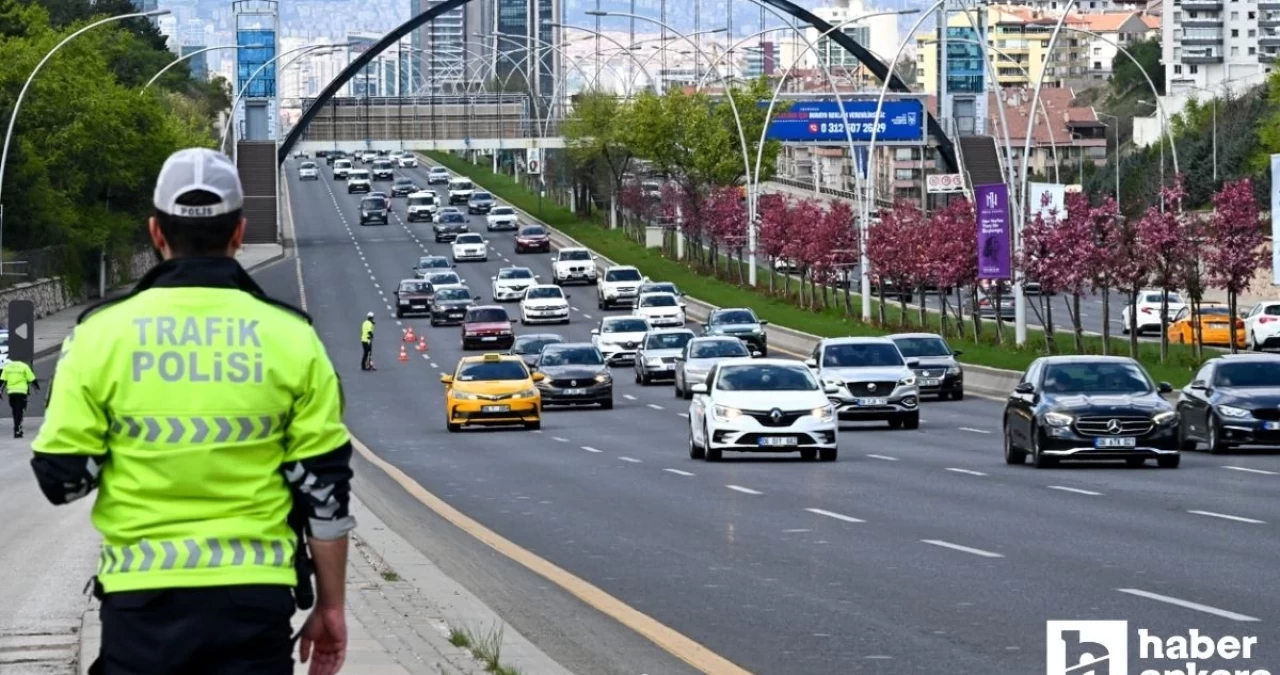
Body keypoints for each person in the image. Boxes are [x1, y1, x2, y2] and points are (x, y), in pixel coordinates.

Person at [29, 148, 354, 675]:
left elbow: (60, 480)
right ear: (240, 233)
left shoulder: (99, 336)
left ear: (156, 233)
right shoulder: (293, 337)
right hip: (256, 601)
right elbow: (325, 492)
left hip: (141, 605)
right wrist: (332, 606)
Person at [0, 357, 39, 438]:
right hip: (21, 392)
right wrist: (36, 387)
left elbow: (2, 381)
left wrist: (0, 391)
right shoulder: (24, 366)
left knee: (14, 410)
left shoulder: (7, 367)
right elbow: (32, 379)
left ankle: (16, 426)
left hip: (11, 392)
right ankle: (17, 429)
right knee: (20, 410)